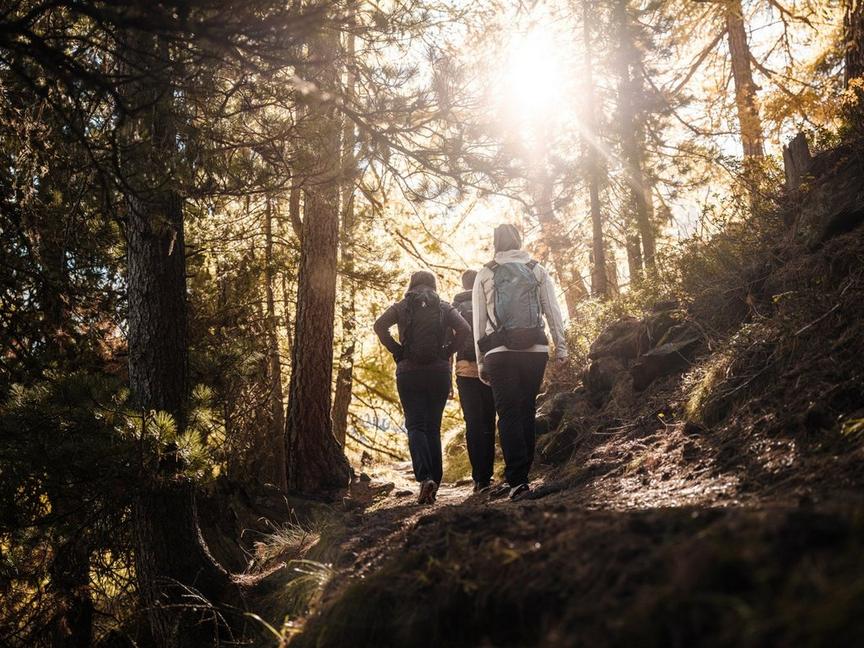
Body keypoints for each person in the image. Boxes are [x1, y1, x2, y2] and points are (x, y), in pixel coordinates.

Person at [472, 223, 568, 501]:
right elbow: (552, 309)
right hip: (535, 348)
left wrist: (481, 361)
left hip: (499, 352)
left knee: (508, 412)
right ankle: (524, 473)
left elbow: (479, 321)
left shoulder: (486, 272)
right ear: (519, 240)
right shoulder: (536, 269)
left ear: (496, 242)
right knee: (526, 408)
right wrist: (560, 347)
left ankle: (518, 481)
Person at [374, 270, 471, 505]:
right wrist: (447, 351)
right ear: (433, 285)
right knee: (432, 427)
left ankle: (425, 478)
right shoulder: (445, 306)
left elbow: (379, 326)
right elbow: (465, 330)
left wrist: (398, 351)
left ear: (412, 284)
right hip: (438, 371)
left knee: (415, 425)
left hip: (409, 371)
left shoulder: (402, 306)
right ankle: (434, 482)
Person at [452, 269, 496, 493]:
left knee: (473, 423)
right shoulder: (489, 298)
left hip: (465, 370)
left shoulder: (454, 307)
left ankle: (479, 478)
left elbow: (448, 342)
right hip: (490, 367)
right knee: (490, 420)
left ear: (462, 284)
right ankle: (490, 475)